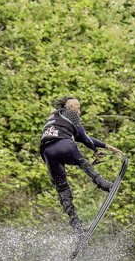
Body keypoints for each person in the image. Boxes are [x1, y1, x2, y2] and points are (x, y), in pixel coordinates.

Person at [39, 96, 123, 233]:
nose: (79, 111)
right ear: (69, 107)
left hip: (48, 152)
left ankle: (76, 225)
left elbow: (82, 138)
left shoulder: (55, 117)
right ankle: (104, 184)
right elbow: (84, 138)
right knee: (82, 162)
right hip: (64, 145)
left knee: (62, 188)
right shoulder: (70, 114)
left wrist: (108, 146)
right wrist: (96, 151)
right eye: (77, 108)